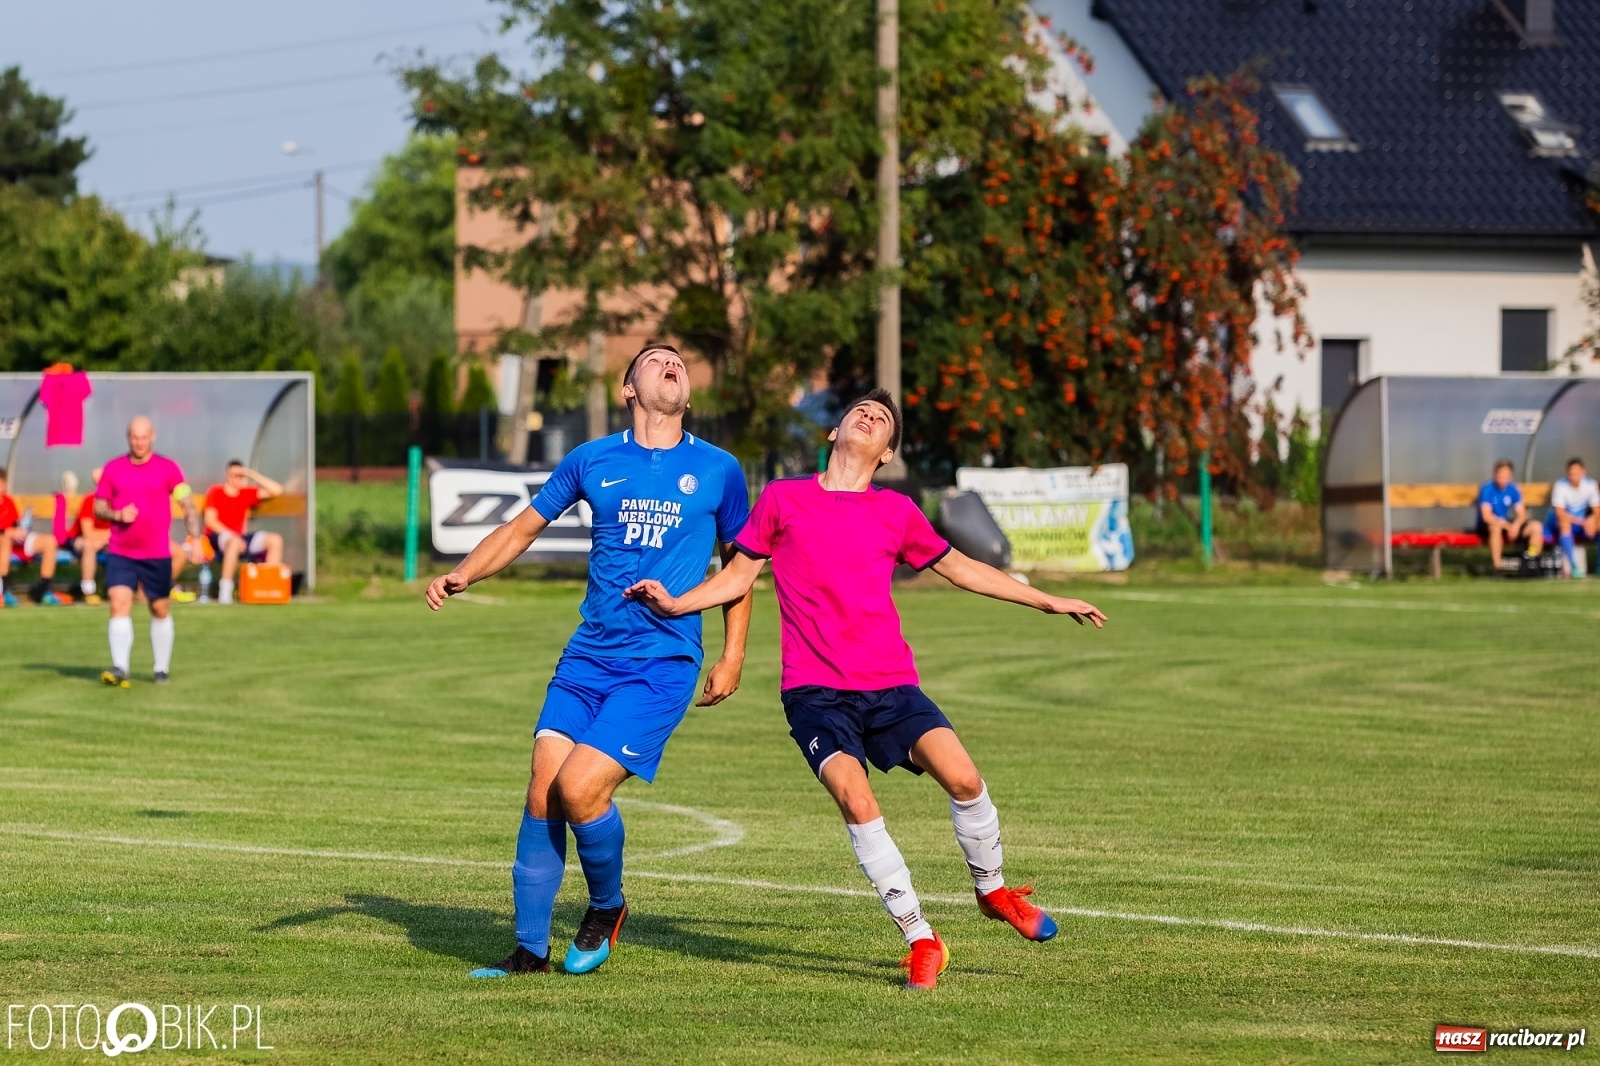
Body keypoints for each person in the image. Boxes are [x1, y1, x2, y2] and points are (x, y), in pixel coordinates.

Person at [625, 389, 1107, 989]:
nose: (871, 416)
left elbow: (962, 569)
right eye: (861, 410)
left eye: (883, 420)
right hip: (814, 694)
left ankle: (993, 891)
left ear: (887, 454)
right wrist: (676, 604)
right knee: (857, 801)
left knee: (964, 779)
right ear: (835, 432)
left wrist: (1047, 600)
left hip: (890, 685)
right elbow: (738, 576)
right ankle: (921, 938)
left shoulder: (897, 511)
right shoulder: (783, 498)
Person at [425, 342, 754, 978]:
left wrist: (733, 653)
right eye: (656, 358)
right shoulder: (591, 459)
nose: (672, 362)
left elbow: (742, 569)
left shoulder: (720, 469)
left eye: (680, 359)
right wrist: (465, 572)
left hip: (662, 662)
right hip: (587, 658)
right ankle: (528, 954)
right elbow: (522, 530)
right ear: (628, 386)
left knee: (579, 788)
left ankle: (607, 905)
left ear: (687, 391)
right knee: (544, 792)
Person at [95, 416, 203, 686]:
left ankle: (161, 668)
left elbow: (187, 505)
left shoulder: (169, 469)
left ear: (152, 436)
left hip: (156, 553)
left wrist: (196, 538)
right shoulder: (113, 469)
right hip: (121, 551)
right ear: (127, 437)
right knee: (119, 603)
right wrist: (117, 514)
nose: (139, 442)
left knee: (159, 608)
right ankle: (120, 667)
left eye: (143, 437)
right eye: (134, 437)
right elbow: (98, 506)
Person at [203, 461, 284, 604]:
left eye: (240, 476)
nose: (237, 479)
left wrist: (252, 474)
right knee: (234, 542)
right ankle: (225, 592)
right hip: (218, 537)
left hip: (240, 537)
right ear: (227, 475)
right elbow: (210, 521)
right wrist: (233, 536)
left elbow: (277, 490)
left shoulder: (246, 493)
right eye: (234, 475)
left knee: (275, 539)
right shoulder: (215, 491)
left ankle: (266, 587)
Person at [0, 468, 64, 606]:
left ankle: (43, 591)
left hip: (17, 542)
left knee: (50, 541)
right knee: (4, 540)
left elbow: (15, 524)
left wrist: (21, 528)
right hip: (3, 542)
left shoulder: (8, 501)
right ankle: (4, 590)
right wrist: (6, 532)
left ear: (4, 484)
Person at [1477, 459, 1543, 569]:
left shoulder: (1513, 489)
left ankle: (1532, 563)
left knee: (1536, 527)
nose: (1503, 478)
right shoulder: (1487, 489)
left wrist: (1516, 525)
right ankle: (1497, 568)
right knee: (1495, 528)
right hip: (1489, 526)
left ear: (1510, 476)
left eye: (1506, 475)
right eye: (1500, 475)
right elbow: (1486, 516)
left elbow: (1522, 513)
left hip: (1507, 524)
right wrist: (1508, 526)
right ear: (1495, 474)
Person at [1547, 457, 1600, 578]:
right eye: (1571, 474)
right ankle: (1573, 566)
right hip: (1568, 524)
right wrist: (1583, 522)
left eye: (1577, 473)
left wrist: (1591, 520)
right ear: (1567, 474)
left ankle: (1599, 566)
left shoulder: (1590, 484)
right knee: (1564, 524)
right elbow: (1560, 514)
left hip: (1584, 524)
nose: (1574, 476)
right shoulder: (1560, 486)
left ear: (1583, 473)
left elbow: (1597, 510)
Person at [73, 467, 112, 605]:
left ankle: (132, 589)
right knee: (90, 545)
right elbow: (87, 533)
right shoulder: (90, 500)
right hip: (79, 540)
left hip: (108, 541)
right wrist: (110, 536)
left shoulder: (119, 500)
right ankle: (88, 591)